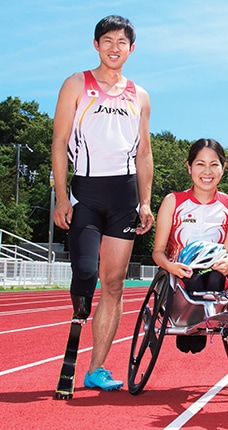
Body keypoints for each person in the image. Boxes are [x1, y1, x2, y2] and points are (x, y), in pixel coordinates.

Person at [52, 15, 153, 391]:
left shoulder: (140, 95)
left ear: (132, 48)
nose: (115, 47)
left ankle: (96, 368)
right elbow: (59, 142)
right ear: (96, 45)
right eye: (107, 40)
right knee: (85, 274)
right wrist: (62, 196)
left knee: (113, 284)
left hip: (124, 196)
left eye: (122, 42)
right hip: (86, 193)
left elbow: (144, 153)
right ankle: (79, 308)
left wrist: (145, 201)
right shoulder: (77, 84)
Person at [151, 138, 228, 353]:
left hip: (213, 274)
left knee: (215, 277)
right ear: (189, 167)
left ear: (223, 168)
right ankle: (189, 322)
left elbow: (227, 254)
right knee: (191, 278)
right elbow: (157, 252)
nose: (207, 171)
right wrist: (171, 267)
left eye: (214, 165)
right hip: (179, 274)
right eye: (200, 164)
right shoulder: (173, 201)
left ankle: (206, 321)